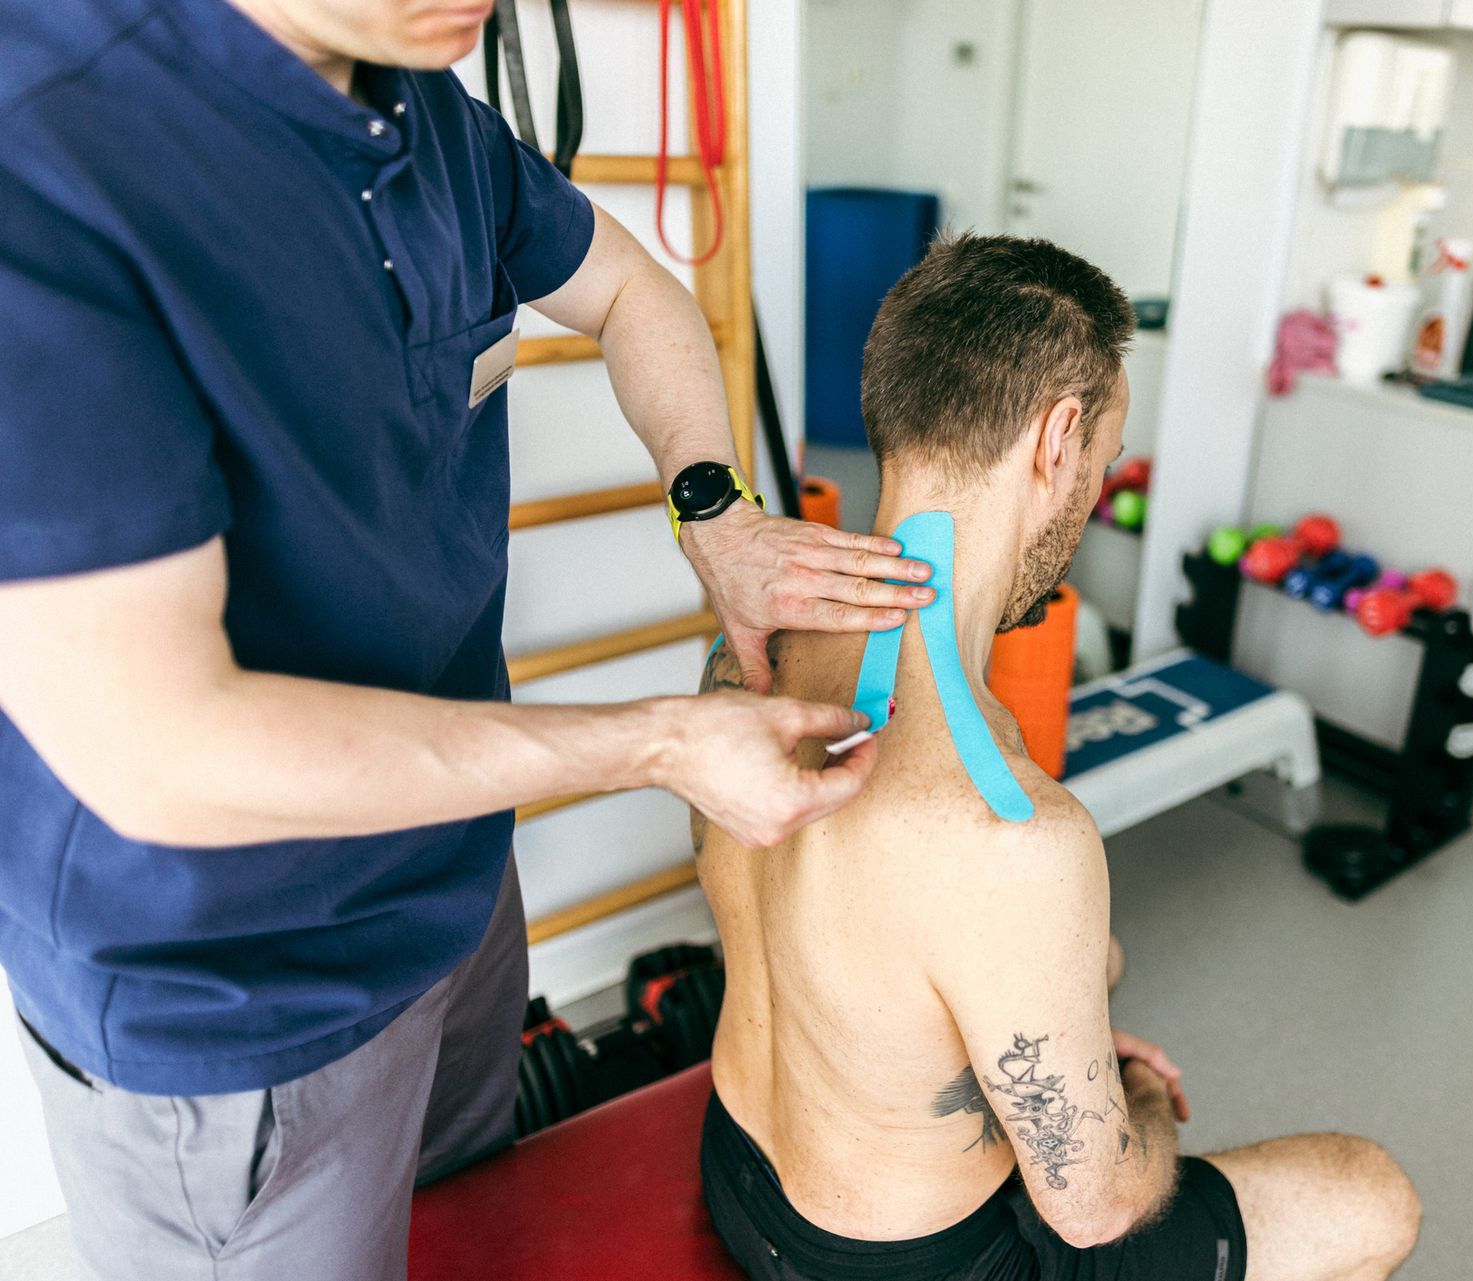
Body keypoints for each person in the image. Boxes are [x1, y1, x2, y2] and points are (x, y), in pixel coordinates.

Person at [0, 1, 923, 1277]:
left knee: (479, 1234)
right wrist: (660, 743)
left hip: (453, 885)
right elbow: (162, 751)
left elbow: (631, 291)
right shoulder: (47, 159)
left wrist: (712, 508)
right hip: (235, 984)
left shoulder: (416, 90)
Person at [693, 235, 1423, 1281]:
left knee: (1097, 961)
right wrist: (1133, 1103)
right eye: (1102, 463)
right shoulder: (1012, 829)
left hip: (743, 1172)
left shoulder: (743, 659)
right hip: (912, 1266)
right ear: (1059, 437)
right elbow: (1095, 1206)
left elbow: (854, 953)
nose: (1090, 497)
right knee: (1370, 1195)